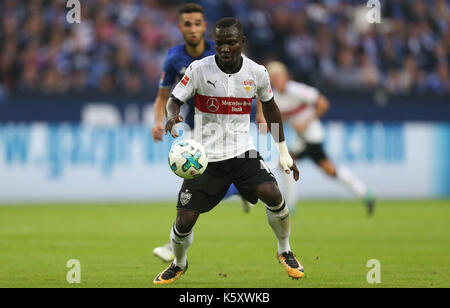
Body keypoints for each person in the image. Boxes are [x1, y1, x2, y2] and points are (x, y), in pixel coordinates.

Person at [154, 17, 303, 284]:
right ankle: (178, 263)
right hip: (205, 158)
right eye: (220, 42)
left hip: (242, 152)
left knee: (272, 192)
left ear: (241, 43)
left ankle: (285, 250)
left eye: (231, 42)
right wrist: (171, 115)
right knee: (184, 220)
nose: (224, 48)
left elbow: (271, 109)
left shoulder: (257, 72)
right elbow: (175, 98)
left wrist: (283, 151)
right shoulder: (199, 69)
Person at [150, 3, 251, 263]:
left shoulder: (220, 49)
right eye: (188, 24)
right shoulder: (174, 58)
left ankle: (175, 249)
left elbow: (249, 76)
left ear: (204, 27)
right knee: (193, 184)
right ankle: (237, 190)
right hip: (198, 129)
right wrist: (158, 121)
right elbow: (164, 97)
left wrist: (259, 113)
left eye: (197, 23)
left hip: (228, 126)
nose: (193, 29)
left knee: (195, 187)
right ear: (180, 27)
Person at [264, 61, 376, 216]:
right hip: (305, 138)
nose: (276, 80)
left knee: (285, 163)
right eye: (273, 77)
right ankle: (365, 193)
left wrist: (306, 121)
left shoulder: (296, 90)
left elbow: (323, 103)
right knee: (330, 170)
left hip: (312, 136)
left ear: (285, 76)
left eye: (278, 76)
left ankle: (290, 205)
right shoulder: (275, 97)